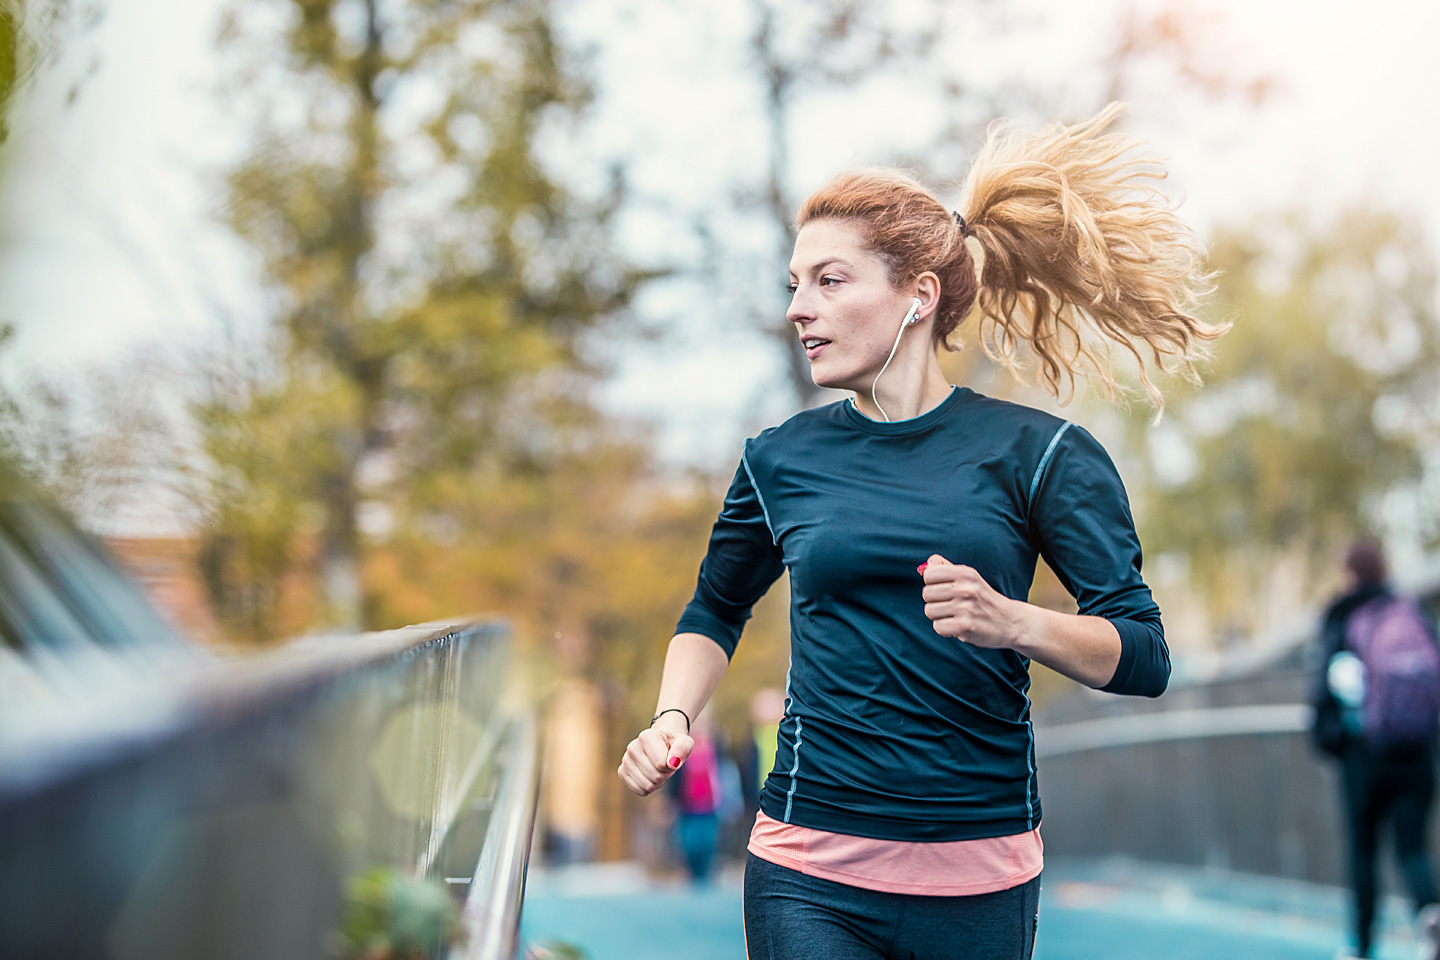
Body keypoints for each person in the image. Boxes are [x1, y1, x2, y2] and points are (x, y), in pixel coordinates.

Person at [617, 104, 1222, 960]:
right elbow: (713, 611)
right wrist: (674, 716)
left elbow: (1145, 654)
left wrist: (1016, 622)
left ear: (918, 298)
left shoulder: (1040, 454)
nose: (798, 307)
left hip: (979, 879)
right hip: (806, 868)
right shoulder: (779, 460)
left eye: (829, 281)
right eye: (794, 283)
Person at [1312, 537, 1440, 960]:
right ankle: (1430, 914)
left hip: (1363, 757)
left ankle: (1363, 948)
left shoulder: (1341, 615)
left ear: (1349, 573)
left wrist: (1330, 741)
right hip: (1415, 752)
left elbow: (1323, 693)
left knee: (1363, 852)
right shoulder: (1407, 609)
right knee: (1413, 848)